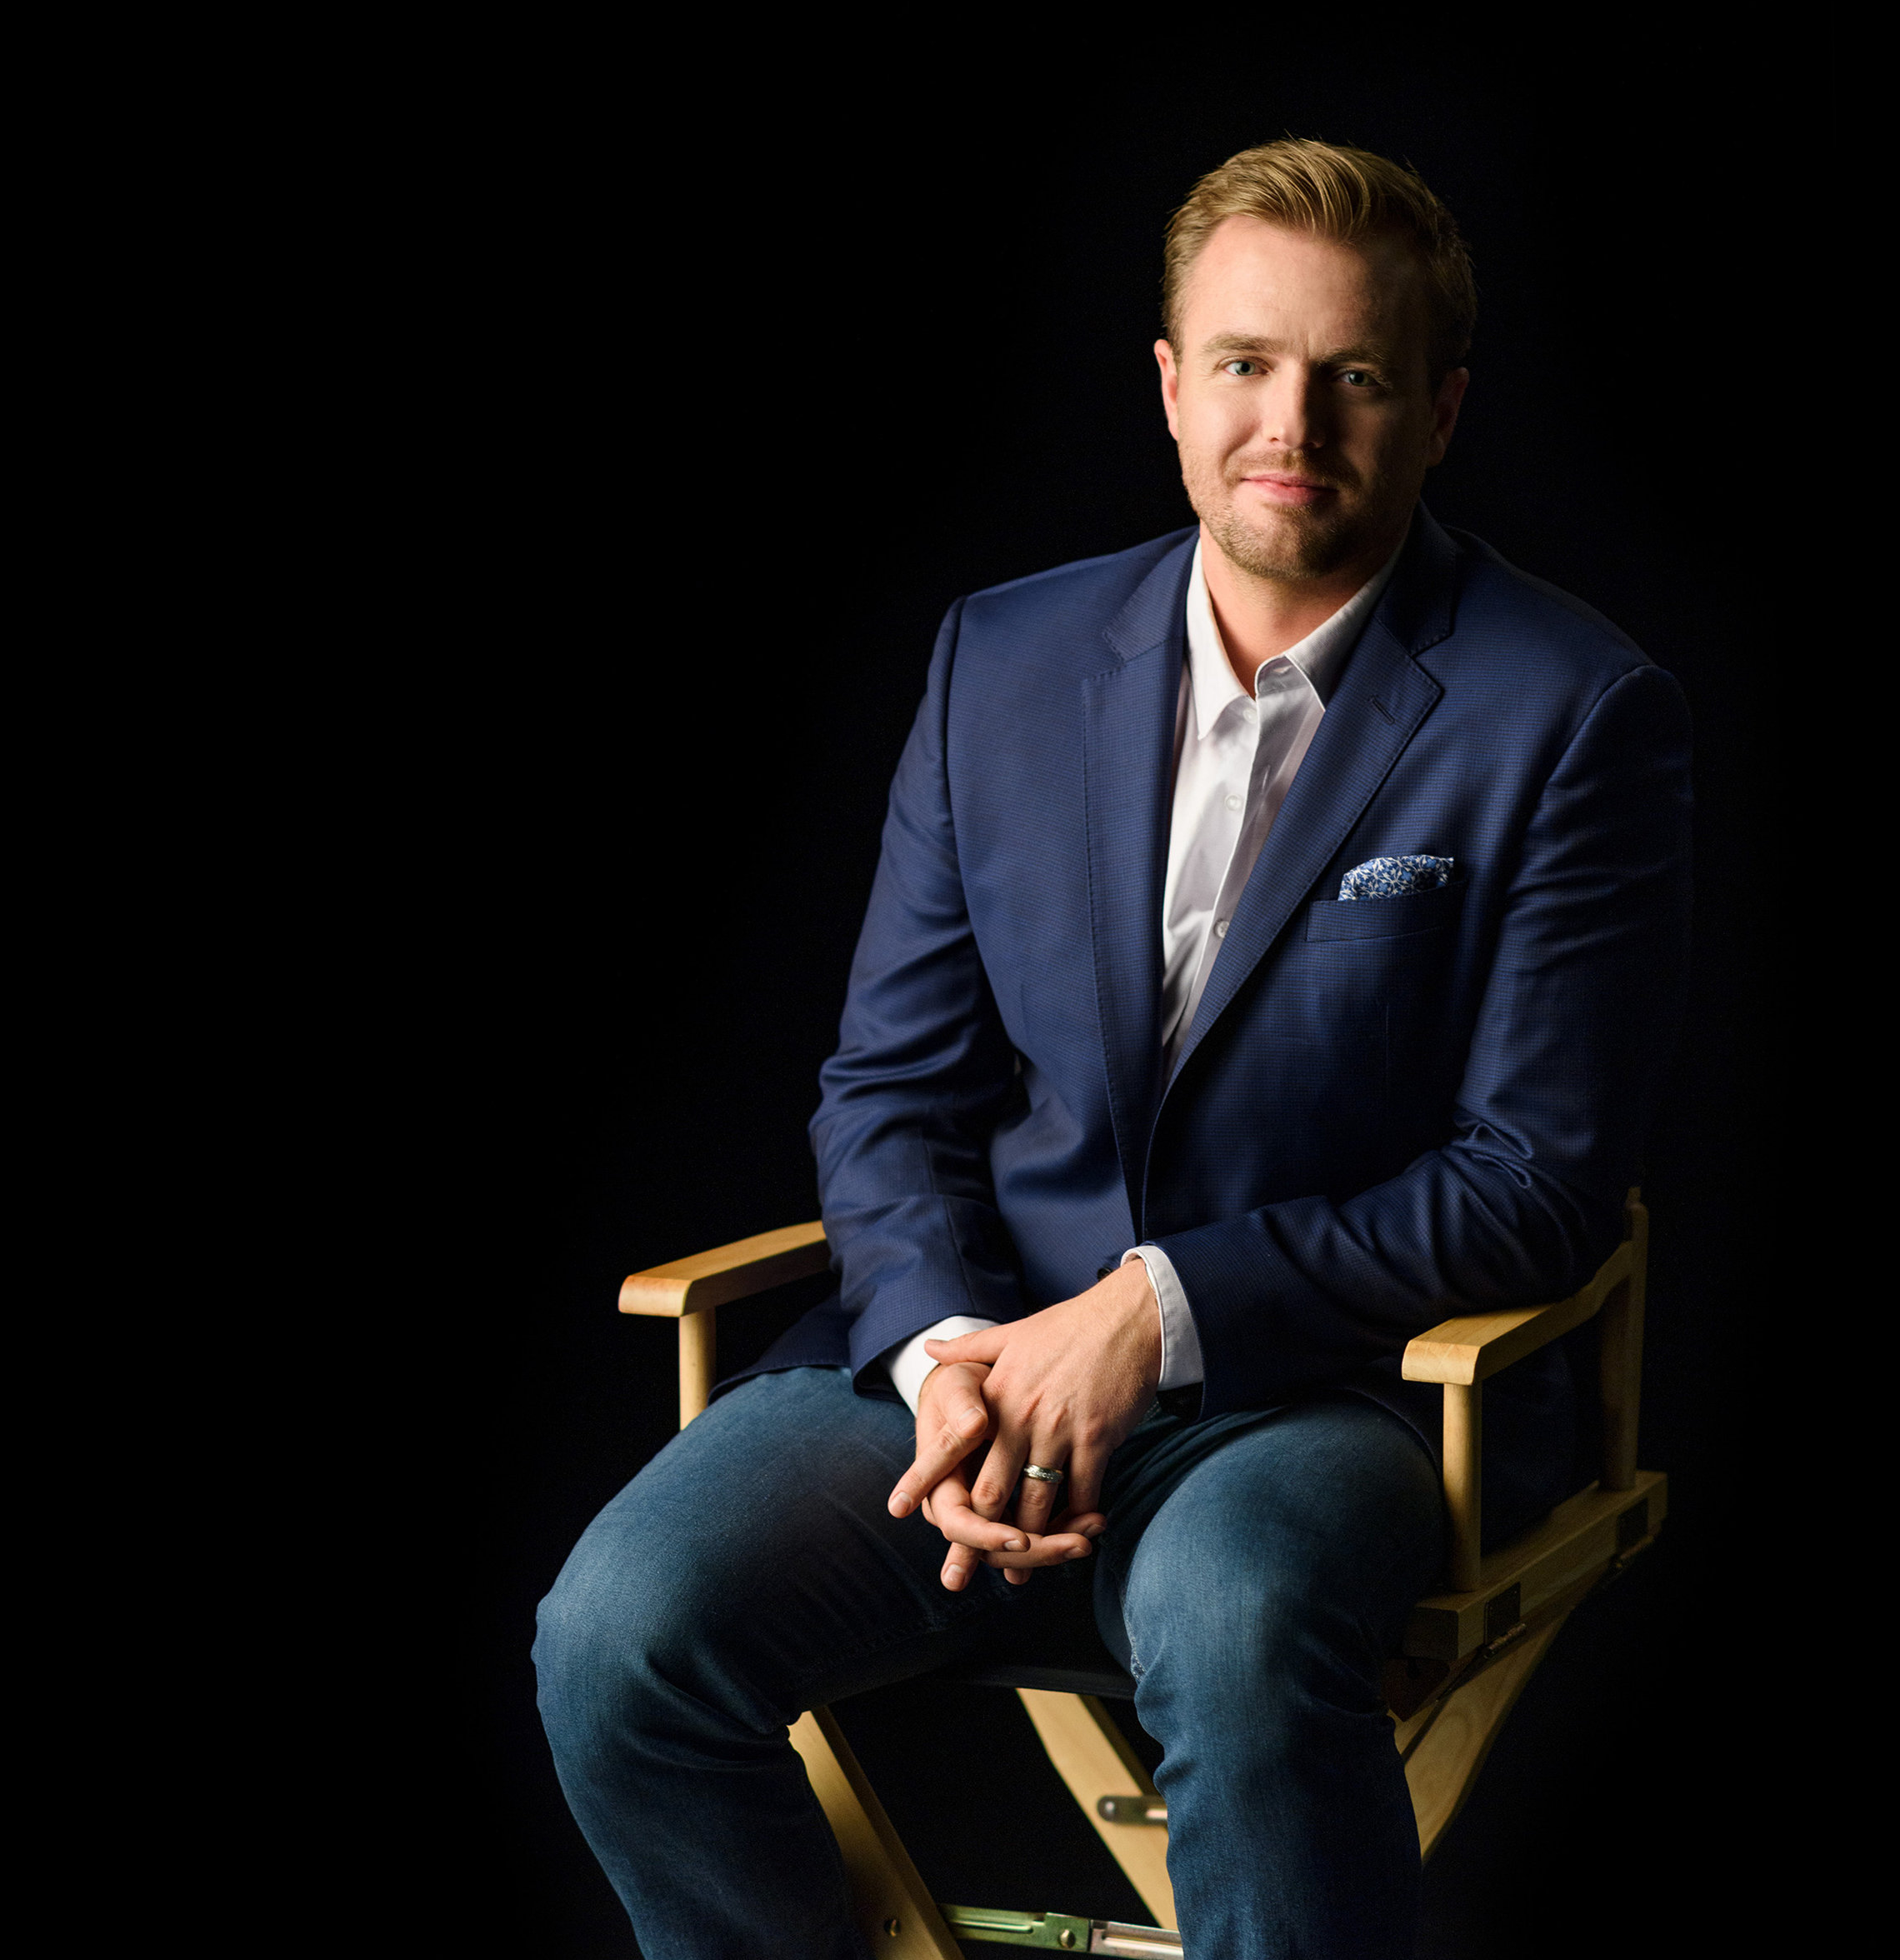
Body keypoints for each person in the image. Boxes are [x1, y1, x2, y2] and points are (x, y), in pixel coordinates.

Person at [535, 138, 1691, 1960]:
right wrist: (944, 1360)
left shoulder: (1573, 709)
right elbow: (892, 1088)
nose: (1290, 421)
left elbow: (1532, 1183)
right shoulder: (1000, 657)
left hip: (1334, 1394)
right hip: (971, 1359)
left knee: (1235, 1629)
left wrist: (1154, 1312)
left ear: (1441, 410)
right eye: (1244, 362)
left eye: (1355, 374)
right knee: (618, 1634)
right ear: (1168, 384)